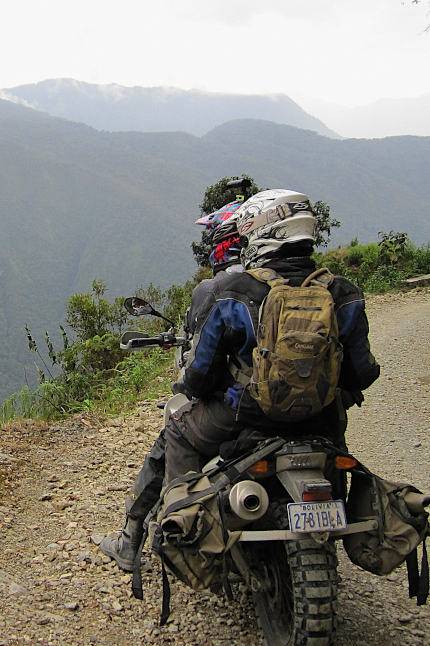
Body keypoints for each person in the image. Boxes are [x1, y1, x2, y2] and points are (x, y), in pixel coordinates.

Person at [100, 190, 380, 571]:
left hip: (246, 415)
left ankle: (167, 533)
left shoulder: (235, 292)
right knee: (334, 435)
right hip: (320, 418)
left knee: (178, 432)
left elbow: (199, 375)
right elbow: (363, 373)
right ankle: (336, 513)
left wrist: (201, 388)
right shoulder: (343, 293)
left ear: (262, 233)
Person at [100, 200, 247, 572]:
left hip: (238, 408)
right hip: (304, 410)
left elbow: (201, 367)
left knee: (173, 434)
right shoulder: (304, 285)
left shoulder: (217, 290)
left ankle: (136, 537)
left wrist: (189, 382)